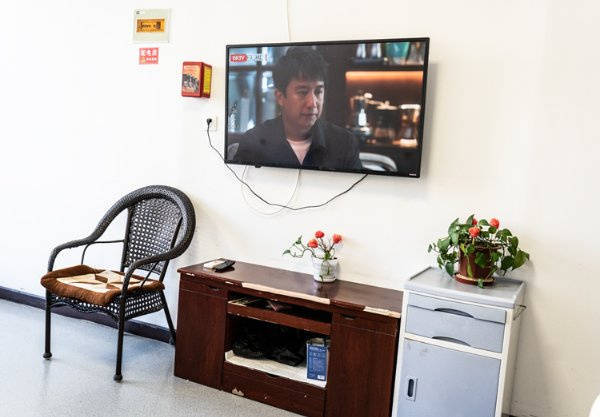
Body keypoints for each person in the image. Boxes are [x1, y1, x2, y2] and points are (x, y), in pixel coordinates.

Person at [232, 47, 362, 170]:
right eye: (302, 92)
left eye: (318, 92)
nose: (312, 103)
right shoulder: (253, 142)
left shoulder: (344, 143)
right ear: (280, 97)